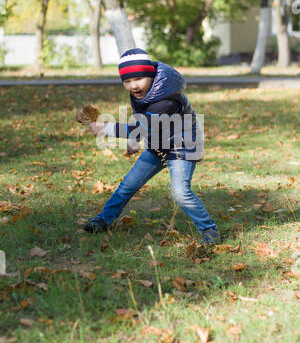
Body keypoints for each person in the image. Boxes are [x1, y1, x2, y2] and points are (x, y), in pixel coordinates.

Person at [77, 48, 220, 245]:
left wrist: (104, 128)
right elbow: (144, 123)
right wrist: (133, 140)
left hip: (182, 147)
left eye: (138, 79)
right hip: (158, 144)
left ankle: (209, 230)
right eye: (127, 81)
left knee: (180, 192)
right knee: (128, 184)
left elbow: (143, 125)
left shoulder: (166, 100)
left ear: (151, 75)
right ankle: (104, 219)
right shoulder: (144, 93)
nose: (133, 85)